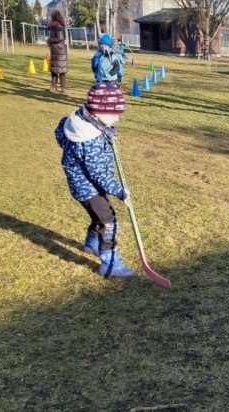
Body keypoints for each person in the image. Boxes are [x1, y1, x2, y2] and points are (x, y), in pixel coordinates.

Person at [54, 82, 135, 278]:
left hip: (82, 184)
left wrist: (107, 133)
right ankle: (110, 263)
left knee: (99, 215)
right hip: (88, 187)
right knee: (108, 222)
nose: (117, 118)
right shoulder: (89, 140)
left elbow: (59, 132)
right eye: (113, 114)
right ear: (97, 111)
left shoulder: (82, 123)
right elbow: (98, 173)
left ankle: (91, 244)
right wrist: (119, 190)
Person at [46, 10, 68, 93]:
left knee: (61, 70)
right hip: (56, 51)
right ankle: (53, 87)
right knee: (54, 70)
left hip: (60, 52)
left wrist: (50, 40)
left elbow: (60, 38)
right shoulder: (56, 26)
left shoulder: (58, 27)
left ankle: (63, 87)